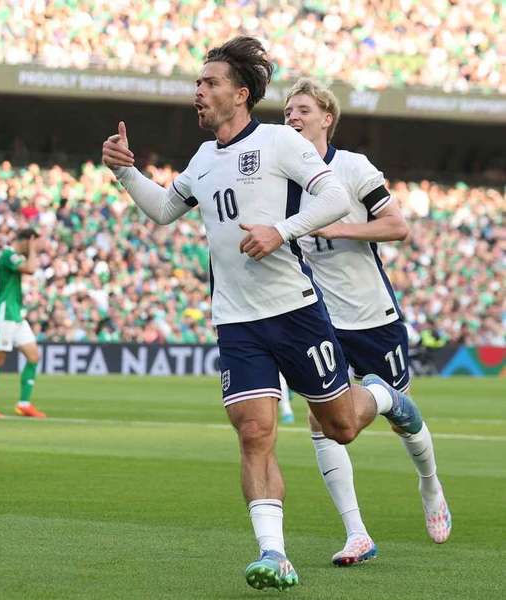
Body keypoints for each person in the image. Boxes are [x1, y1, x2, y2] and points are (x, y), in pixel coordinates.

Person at [102, 36, 431, 591]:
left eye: (209, 84)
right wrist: (125, 172)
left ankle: (385, 397)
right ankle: (273, 553)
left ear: (242, 93)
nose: (198, 93)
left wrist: (282, 230)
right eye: (197, 83)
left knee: (342, 427)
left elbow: (331, 199)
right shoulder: (203, 159)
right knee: (254, 430)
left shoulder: (280, 142)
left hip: (296, 311)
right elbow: (163, 211)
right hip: (236, 321)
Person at [283, 78, 451, 564]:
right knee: (319, 417)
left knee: (402, 416)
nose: (292, 117)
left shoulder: (353, 167)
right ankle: (357, 532)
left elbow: (397, 226)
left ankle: (430, 484)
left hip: (373, 316)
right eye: (287, 111)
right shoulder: (282, 180)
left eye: (302, 110)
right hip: (318, 319)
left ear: (326, 117)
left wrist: (339, 226)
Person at [0, 228, 45, 418]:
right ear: (28, 240)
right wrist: (32, 247)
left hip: (15, 315)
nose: (34, 249)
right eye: (34, 243)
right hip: (4, 314)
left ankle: (24, 404)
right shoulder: (9, 255)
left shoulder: (7, 258)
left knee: (33, 356)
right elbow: (30, 269)